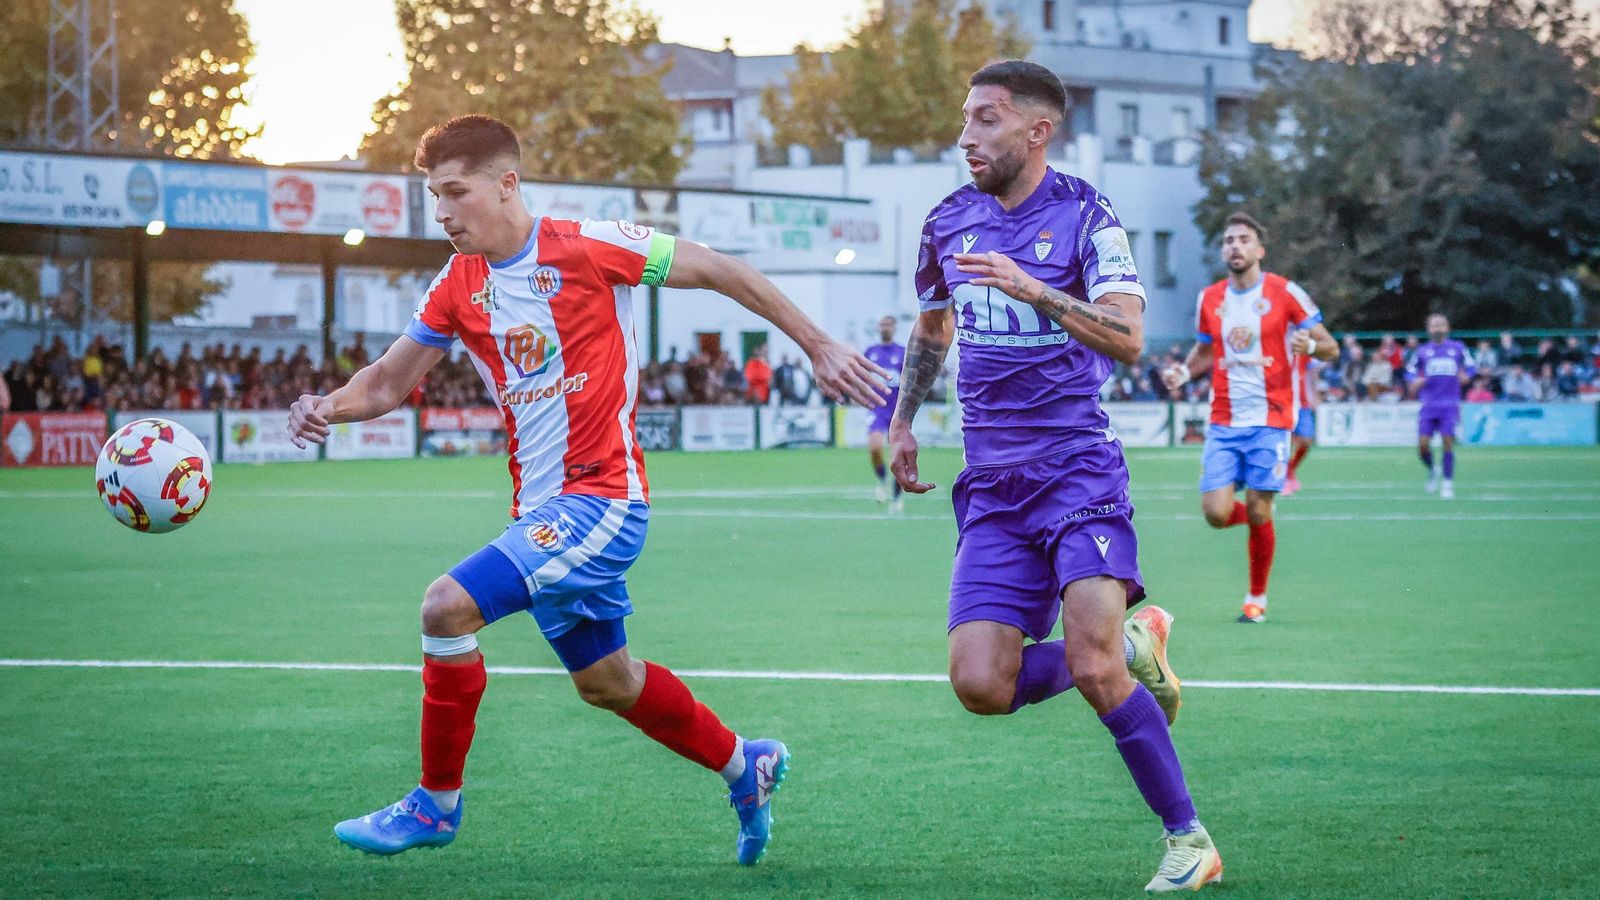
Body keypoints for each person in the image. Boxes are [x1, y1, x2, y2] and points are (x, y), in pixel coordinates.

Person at [287, 114, 887, 864]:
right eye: (431, 196)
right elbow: (385, 382)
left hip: (602, 500)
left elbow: (720, 269)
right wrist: (326, 406)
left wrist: (819, 342)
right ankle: (746, 765)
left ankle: (436, 805)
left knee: (445, 607)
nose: (440, 212)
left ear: (506, 184)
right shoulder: (457, 284)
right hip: (542, 512)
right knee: (608, 681)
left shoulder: (590, 247)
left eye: (453, 192)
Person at [889, 60, 1221, 893]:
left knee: (1094, 664)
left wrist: (1034, 288)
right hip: (993, 485)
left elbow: (1130, 337)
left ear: (1038, 131)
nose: (967, 136)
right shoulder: (947, 219)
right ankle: (1134, 641)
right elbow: (933, 326)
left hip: (1077, 470)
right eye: (966, 118)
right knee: (979, 685)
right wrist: (902, 418)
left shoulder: (1086, 214)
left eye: (988, 120)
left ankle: (1189, 840)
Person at [1163, 212, 1338, 624]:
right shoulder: (1210, 299)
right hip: (1224, 420)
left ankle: (1255, 598)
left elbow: (1330, 346)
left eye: (1243, 239)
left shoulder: (1285, 292)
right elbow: (1205, 349)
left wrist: (1309, 344)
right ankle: (1260, 521)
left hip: (1272, 419)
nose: (1234, 246)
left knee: (1259, 509)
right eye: (1228, 240)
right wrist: (1185, 371)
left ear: (1259, 250)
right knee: (1216, 514)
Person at [1406, 313, 1474, 499]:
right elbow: (1409, 372)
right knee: (1423, 446)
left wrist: (1466, 375)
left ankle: (1447, 483)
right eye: (1434, 325)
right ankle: (1433, 468)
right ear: (1428, 329)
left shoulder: (1458, 348)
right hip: (1428, 405)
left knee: (1447, 442)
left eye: (1441, 325)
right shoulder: (1422, 351)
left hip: (1450, 405)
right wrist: (1415, 381)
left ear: (1447, 327)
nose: (1437, 328)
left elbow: (1471, 366)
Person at [863, 315, 907, 512]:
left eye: (888, 324)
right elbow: (861, 376)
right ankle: (882, 480)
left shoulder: (902, 353)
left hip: (897, 410)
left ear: (895, 327)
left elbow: (910, 380)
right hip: (877, 408)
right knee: (875, 447)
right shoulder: (870, 352)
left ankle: (897, 497)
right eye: (882, 324)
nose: (885, 328)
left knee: (898, 456)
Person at [1281, 352, 1321, 496]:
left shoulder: (1304, 351)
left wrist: (1315, 395)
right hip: (1285, 402)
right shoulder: (1279, 348)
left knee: (1306, 440)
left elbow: (1312, 373)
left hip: (1302, 403)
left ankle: (1291, 468)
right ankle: (1285, 476)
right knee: (1287, 440)